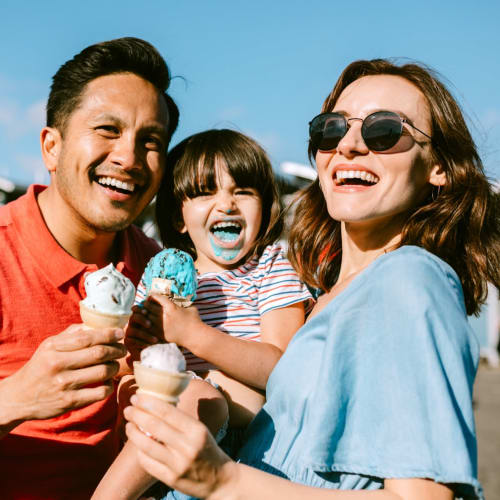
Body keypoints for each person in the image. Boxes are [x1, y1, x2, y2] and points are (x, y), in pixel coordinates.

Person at [123, 59, 500, 500]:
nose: (350, 145)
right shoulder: (325, 298)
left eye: (384, 131)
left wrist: (223, 481)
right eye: (332, 129)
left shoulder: (410, 278)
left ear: (439, 165)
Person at [0, 37, 179, 499]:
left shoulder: (161, 272)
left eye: (151, 141)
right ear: (52, 147)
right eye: (107, 129)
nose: (129, 157)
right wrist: (17, 398)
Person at [93, 129, 313, 499]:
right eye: (205, 191)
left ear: (265, 206)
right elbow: (131, 369)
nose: (226, 204)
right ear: (179, 218)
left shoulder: (272, 268)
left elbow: (281, 370)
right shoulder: (160, 275)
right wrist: (138, 346)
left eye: (242, 191)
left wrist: (192, 334)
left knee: (197, 395)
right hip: (159, 454)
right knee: (163, 393)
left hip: (241, 452)